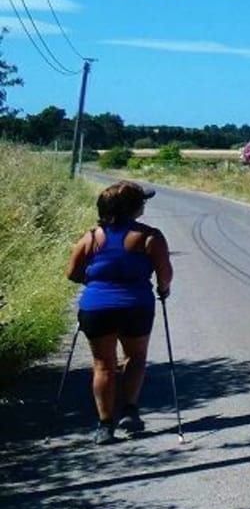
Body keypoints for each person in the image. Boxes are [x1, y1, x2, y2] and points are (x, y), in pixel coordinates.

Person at [65, 181, 173, 443]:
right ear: (134, 207)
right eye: (142, 201)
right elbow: (165, 274)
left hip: (96, 308)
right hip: (136, 306)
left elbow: (72, 273)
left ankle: (104, 425)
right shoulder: (150, 237)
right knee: (135, 357)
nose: (145, 204)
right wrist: (163, 289)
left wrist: (96, 284)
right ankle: (130, 410)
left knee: (103, 365)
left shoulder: (90, 238)